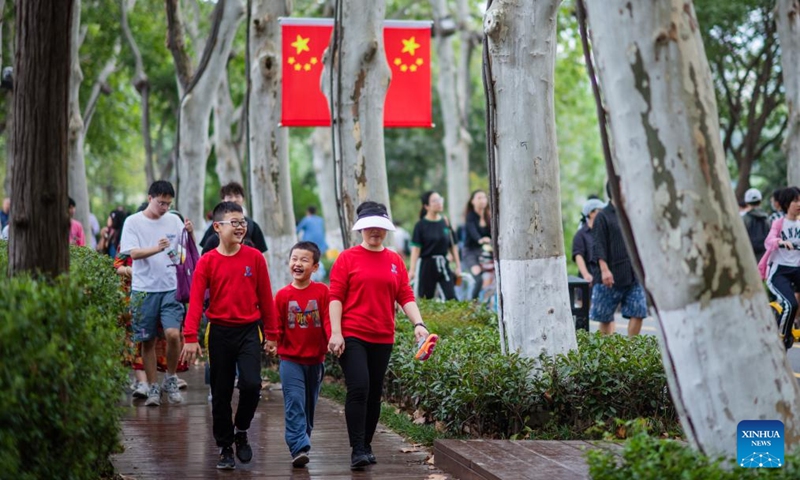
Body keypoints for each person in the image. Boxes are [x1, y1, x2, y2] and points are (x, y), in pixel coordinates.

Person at [327, 201, 430, 470]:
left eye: (381, 227)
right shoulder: (347, 258)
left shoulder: (395, 259)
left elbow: (404, 294)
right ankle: (357, 448)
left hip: (383, 335)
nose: (375, 231)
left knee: (373, 394)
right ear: (361, 228)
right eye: (370, 227)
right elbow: (335, 296)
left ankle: (367, 444)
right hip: (353, 334)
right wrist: (336, 333)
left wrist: (419, 324)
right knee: (359, 387)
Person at [180, 201, 277, 470]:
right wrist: (190, 337)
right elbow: (197, 302)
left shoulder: (255, 257)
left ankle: (241, 430)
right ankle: (224, 447)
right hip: (219, 332)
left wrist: (272, 334)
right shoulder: (207, 262)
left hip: (249, 331)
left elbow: (266, 299)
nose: (240, 227)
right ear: (217, 227)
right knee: (220, 393)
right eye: (234, 222)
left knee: (251, 385)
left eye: (243, 222)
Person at [120, 180, 193, 406]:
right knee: (147, 340)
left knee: (172, 334)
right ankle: (153, 387)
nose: (164, 208)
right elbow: (132, 253)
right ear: (150, 198)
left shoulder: (174, 220)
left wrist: (190, 234)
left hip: (171, 287)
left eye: (168, 204)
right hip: (144, 289)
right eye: (161, 203)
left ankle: (170, 378)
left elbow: (184, 253)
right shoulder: (133, 222)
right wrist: (157, 248)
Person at [273, 241, 331, 468]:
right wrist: (271, 340)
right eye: (294, 259)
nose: (297, 264)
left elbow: (328, 321)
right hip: (290, 360)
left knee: (308, 407)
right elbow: (276, 326)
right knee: (294, 401)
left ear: (315, 267)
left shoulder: (322, 292)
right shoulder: (282, 295)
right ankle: (298, 446)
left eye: (304, 260)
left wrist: (333, 339)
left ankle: (302, 439)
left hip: (315, 361)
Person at [590, 183, 647, 336]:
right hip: (609, 275)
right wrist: (604, 270)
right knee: (605, 317)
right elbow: (598, 245)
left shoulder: (631, 214)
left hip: (632, 274)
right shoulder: (603, 216)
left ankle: (630, 350)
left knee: (639, 311)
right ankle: (608, 353)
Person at [758, 187, 800, 349]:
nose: (798, 204)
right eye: (795, 201)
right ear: (785, 204)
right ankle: (781, 337)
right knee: (791, 304)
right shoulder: (779, 223)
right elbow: (769, 241)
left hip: (797, 269)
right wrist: (780, 242)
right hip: (779, 272)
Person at [409, 191, 461, 300]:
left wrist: (458, 266)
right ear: (426, 206)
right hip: (426, 265)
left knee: (451, 297)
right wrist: (412, 270)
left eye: (440, 199)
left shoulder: (445, 222)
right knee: (425, 298)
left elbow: (453, 246)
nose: (439, 203)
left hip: (443, 263)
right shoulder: (420, 225)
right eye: (434, 201)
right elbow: (416, 249)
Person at [199, 182, 268, 255]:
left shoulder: (253, 226)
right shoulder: (216, 225)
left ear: (243, 199)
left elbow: (261, 254)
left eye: (237, 196)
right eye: (230, 196)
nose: (234, 199)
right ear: (223, 200)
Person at [462, 190, 491, 300]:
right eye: (479, 198)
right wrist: (480, 239)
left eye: (484, 197)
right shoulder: (470, 216)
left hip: (485, 251)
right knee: (478, 279)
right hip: (470, 252)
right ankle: (472, 305)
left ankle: (487, 304)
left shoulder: (489, 216)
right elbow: (472, 231)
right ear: (472, 201)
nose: (482, 200)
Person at [572, 198, 605, 285]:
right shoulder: (581, 234)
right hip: (589, 281)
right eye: (600, 210)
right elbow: (578, 255)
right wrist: (586, 275)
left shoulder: (602, 231)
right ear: (591, 213)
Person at [741, 188, 770, 262]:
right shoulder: (767, 218)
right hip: (764, 254)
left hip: (748, 255)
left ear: (746, 202)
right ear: (760, 201)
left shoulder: (744, 218)